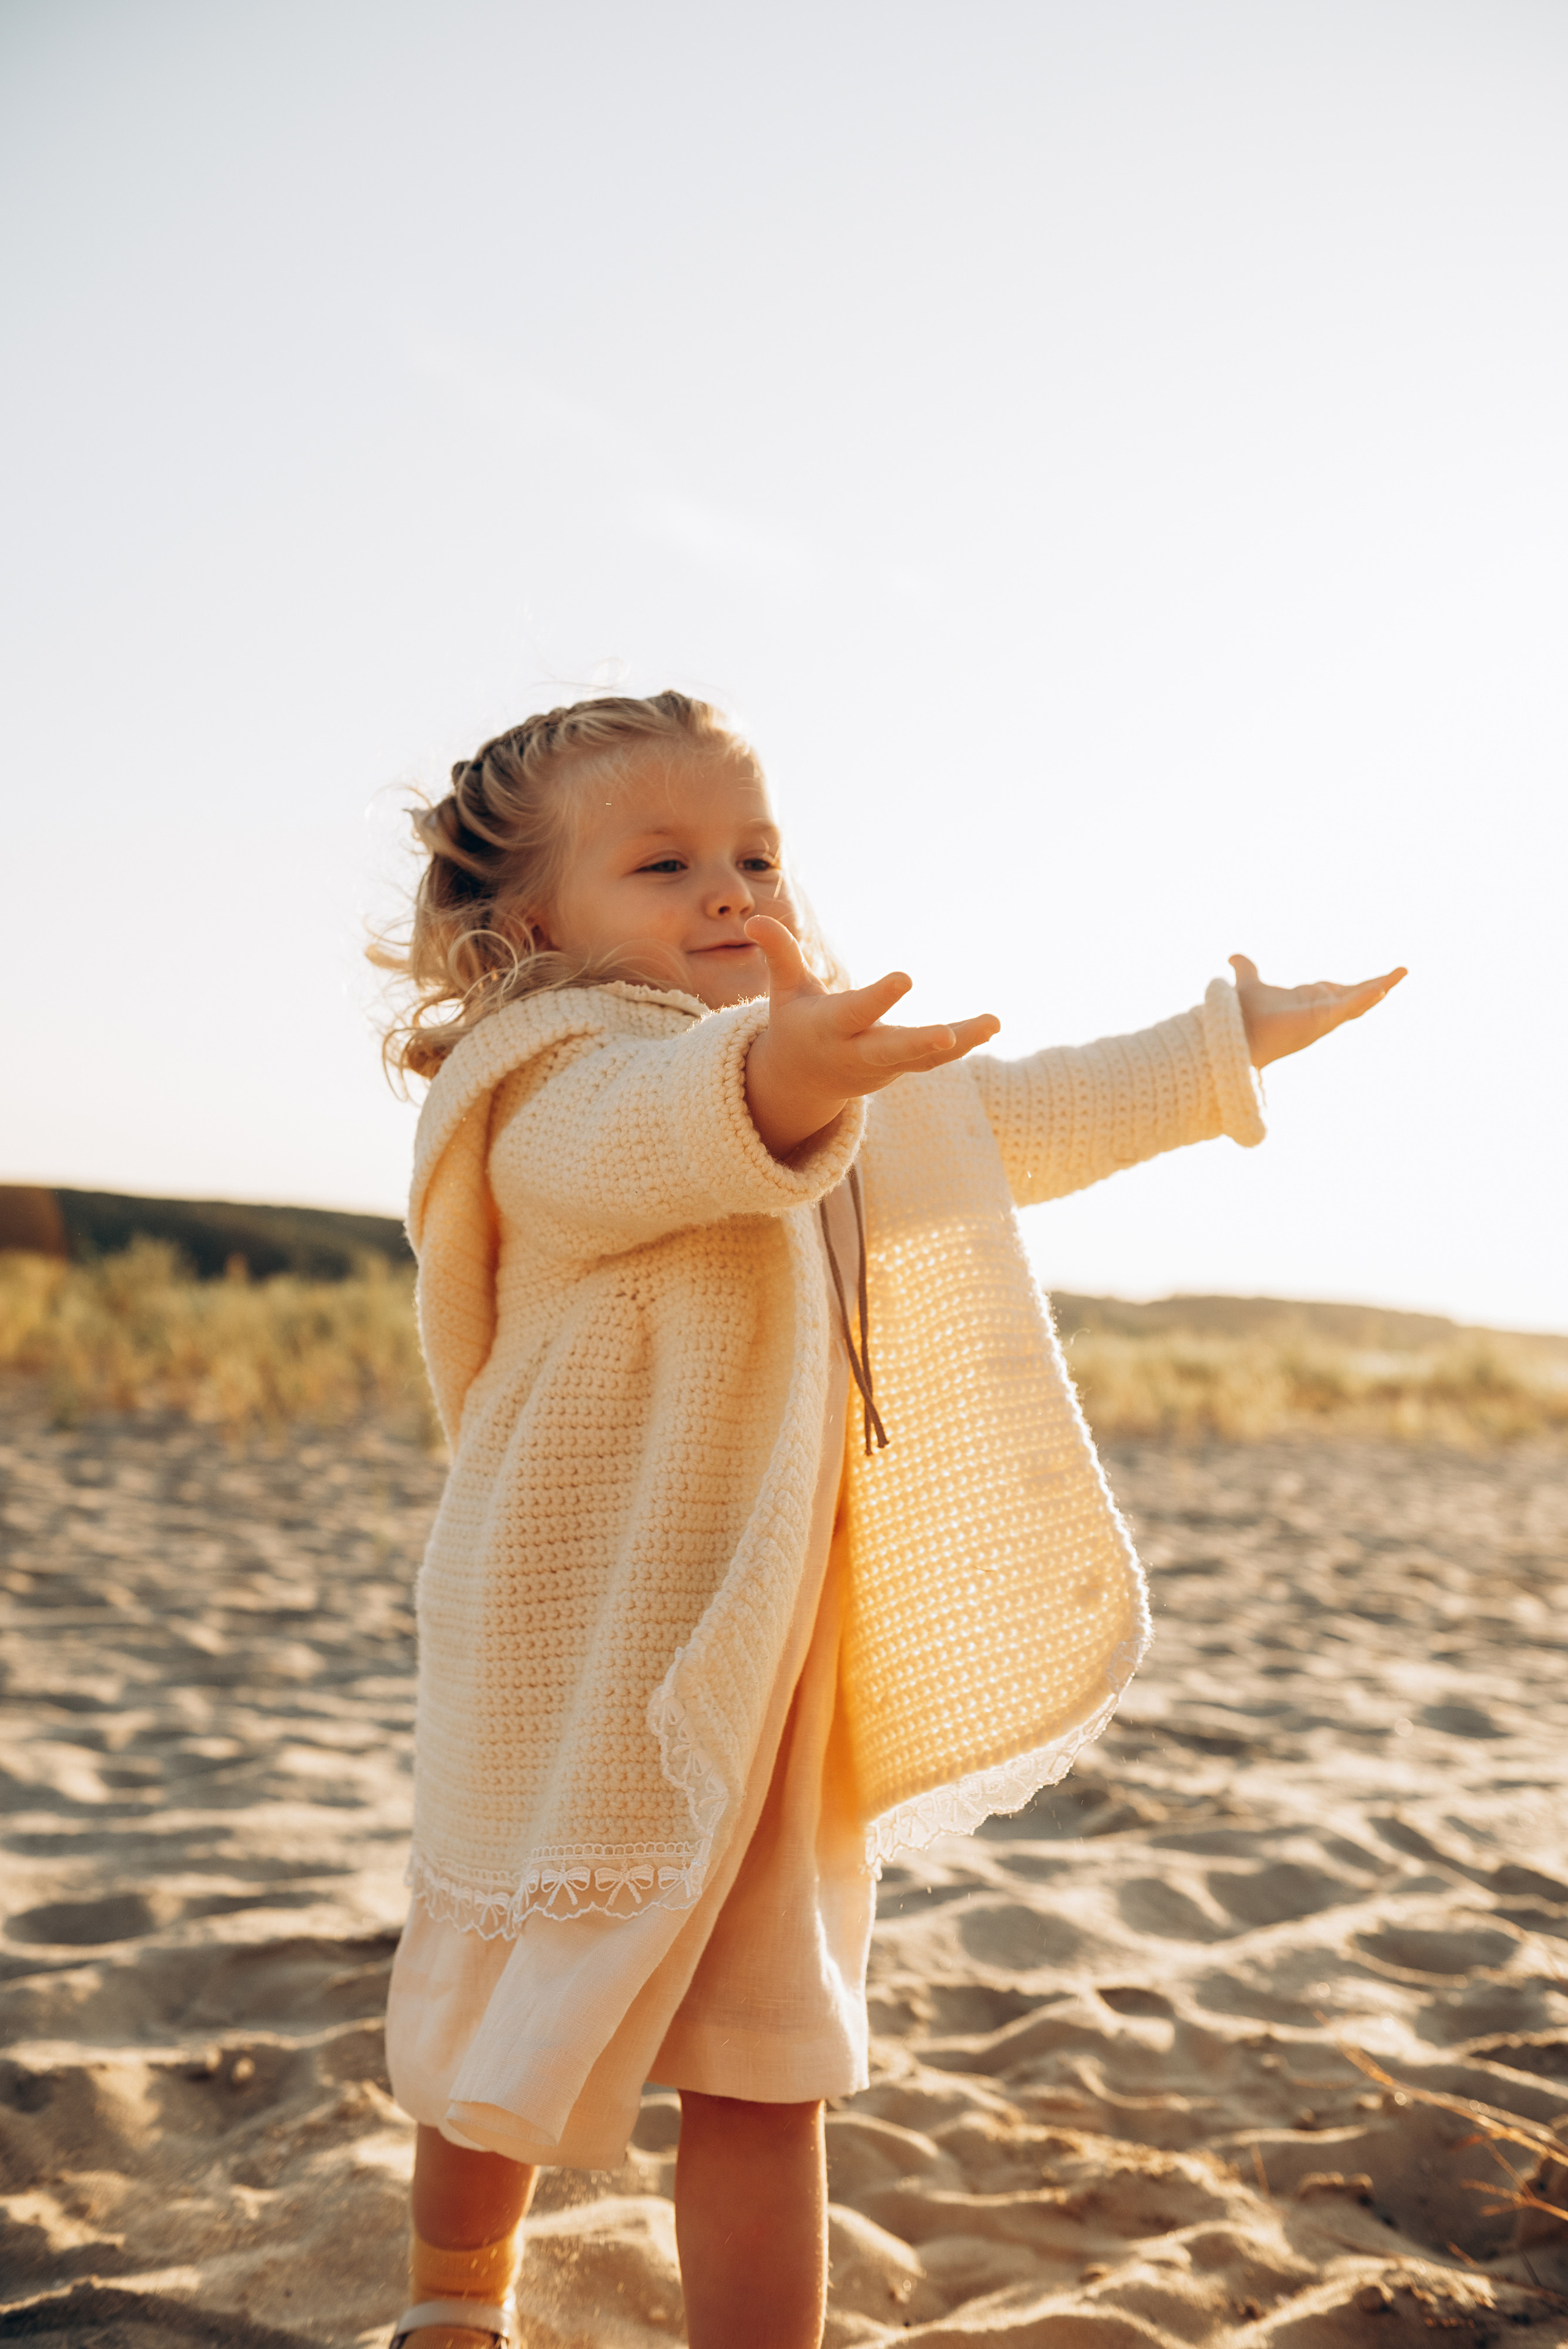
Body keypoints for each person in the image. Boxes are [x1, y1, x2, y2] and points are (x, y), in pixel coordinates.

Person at [373, 690, 1403, 2349]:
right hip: (573, 1659)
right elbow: (664, 1135)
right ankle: (452, 2295)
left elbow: (1017, 1118)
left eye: (757, 853)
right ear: (531, 926)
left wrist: (1226, 1045)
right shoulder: (541, 1093)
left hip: (769, 1660)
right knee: (508, 1995)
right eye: (664, 863)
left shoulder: (835, 1072)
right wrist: (781, 1070)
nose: (732, 890)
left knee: (769, 2057)